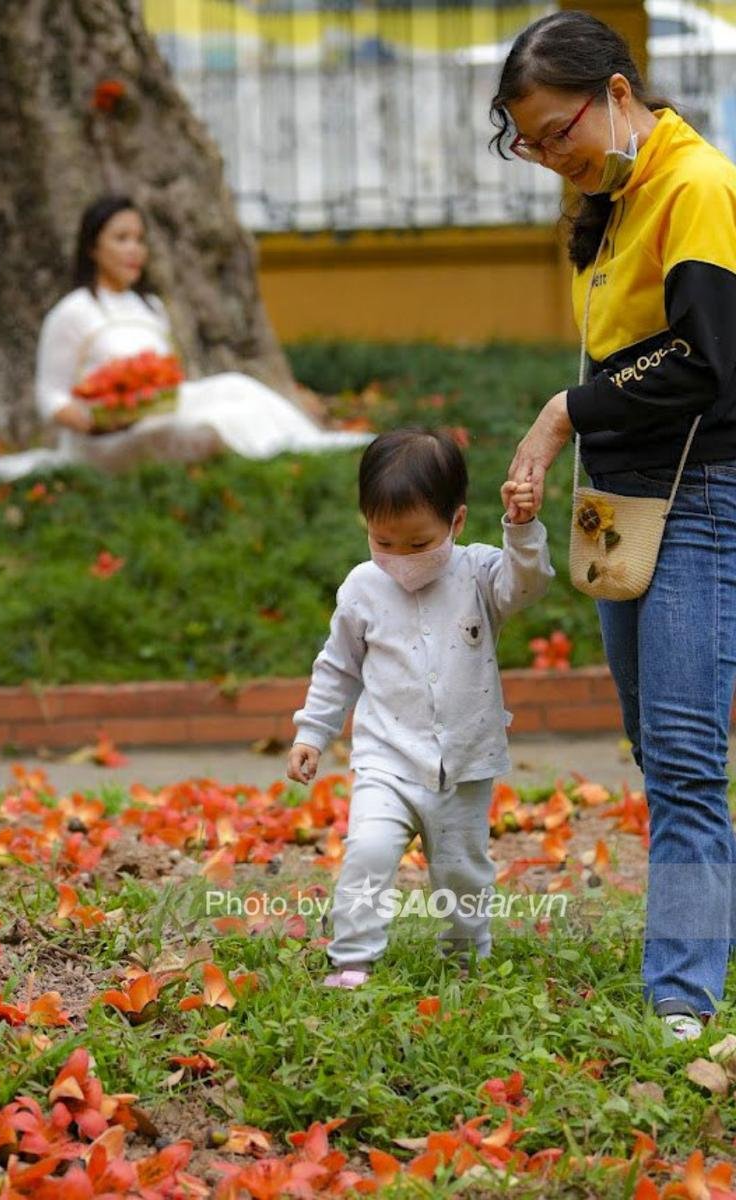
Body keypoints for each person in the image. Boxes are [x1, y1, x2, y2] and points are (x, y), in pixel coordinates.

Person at [493, 11, 736, 1040]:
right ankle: (698, 936)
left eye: (559, 131)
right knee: (654, 745)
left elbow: (708, 357)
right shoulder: (623, 194)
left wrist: (561, 412)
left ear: (618, 91)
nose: (554, 159)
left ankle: (680, 997)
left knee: (682, 757)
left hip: (697, 497)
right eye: (535, 144)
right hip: (621, 504)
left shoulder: (696, 186)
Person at [0, 196, 370, 499]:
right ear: (93, 246)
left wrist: (152, 393)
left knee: (231, 384)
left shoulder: (151, 308)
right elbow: (50, 397)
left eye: (139, 238)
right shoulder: (73, 314)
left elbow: (169, 378)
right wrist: (100, 419)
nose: (134, 250)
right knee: (194, 430)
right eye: (121, 238)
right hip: (102, 440)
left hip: (150, 412)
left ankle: (300, 445)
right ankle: (260, 450)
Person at [287, 429, 552, 988]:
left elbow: (527, 585)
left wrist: (521, 530)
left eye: (418, 544)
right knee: (368, 849)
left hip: (464, 763)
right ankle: (353, 957)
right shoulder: (362, 588)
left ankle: (466, 954)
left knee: (462, 871)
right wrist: (312, 732)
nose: (400, 559)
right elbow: (338, 666)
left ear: (455, 524)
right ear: (366, 524)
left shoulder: (480, 574)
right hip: (386, 758)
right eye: (384, 542)